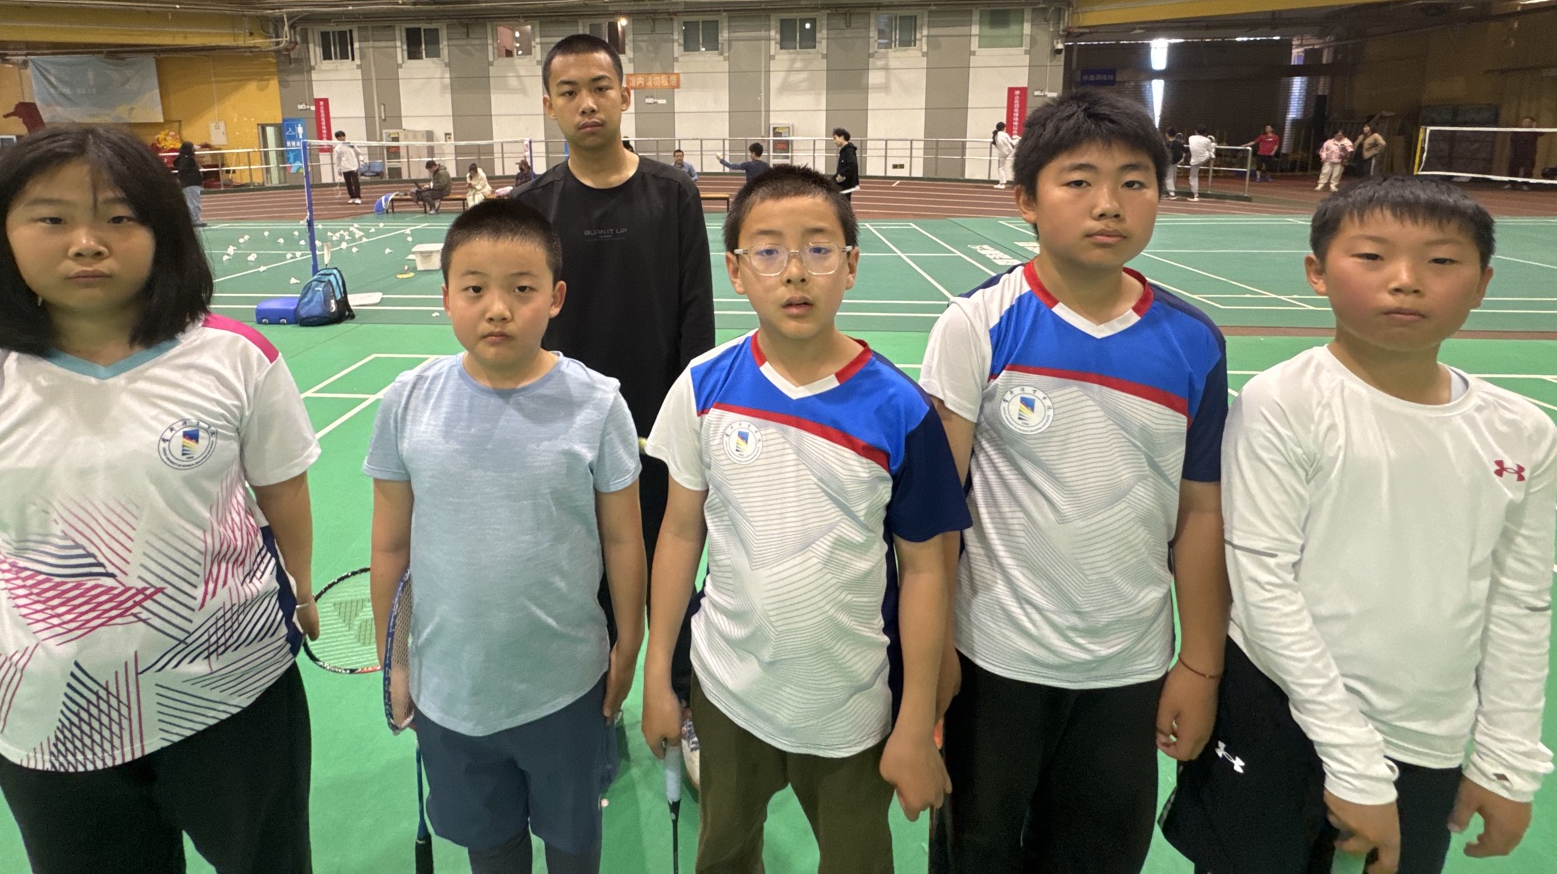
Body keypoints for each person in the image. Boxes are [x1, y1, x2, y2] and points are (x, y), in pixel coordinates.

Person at [0, 125, 320, 874]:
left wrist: (303, 589)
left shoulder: (236, 358)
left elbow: (281, 489)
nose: (87, 243)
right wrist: (29, 646)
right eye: (51, 218)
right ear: (2, 236)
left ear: (164, 233)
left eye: (120, 217)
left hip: (238, 691)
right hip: (52, 718)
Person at [1163, 176, 1555, 874]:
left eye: (1441, 261)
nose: (1406, 280)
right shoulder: (1284, 402)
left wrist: (1506, 760)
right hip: (1278, 713)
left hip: (1427, 738)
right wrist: (1352, 760)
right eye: (1372, 256)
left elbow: (1519, 602)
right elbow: (1263, 583)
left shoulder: (1524, 433)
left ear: (1483, 283)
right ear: (1317, 272)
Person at [920, 89, 1229, 871]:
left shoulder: (1194, 342)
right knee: (977, 850)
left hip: (1128, 667)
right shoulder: (977, 323)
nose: (1108, 203)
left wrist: (1200, 661)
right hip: (993, 659)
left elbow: (1200, 512)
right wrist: (930, 661)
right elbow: (936, 512)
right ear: (1026, 199)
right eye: (1079, 180)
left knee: (1098, 856)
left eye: (1134, 182)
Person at [643, 166, 971, 872]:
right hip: (727, 692)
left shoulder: (901, 409)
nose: (794, 271)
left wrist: (916, 720)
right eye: (768, 250)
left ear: (850, 265)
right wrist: (657, 674)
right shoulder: (702, 387)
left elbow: (924, 570)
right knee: (725, 855)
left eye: (818, 249)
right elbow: (679, 533)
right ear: (735, 270)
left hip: (850, 708)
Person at [366, 200, 645, 874]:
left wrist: (629, 643)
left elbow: (623, 539)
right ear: (445, 296)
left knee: (574, 846)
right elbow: (391, 547)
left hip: (566, 686)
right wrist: (395, 662)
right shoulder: (407, 401)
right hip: (450, 690)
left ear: (555, 297)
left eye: (521, 289)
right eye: (474, 289)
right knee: (490, 851)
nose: (498, 309)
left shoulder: (598, 402)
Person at [511, 34, 716, 770]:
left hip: (659, 437)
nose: (587, 103)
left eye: (600, 86)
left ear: (625, 95)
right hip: (564, 439)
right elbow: (520, 324)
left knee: (672, 580)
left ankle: (681, 703)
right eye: (569, 91)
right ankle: (594, 715)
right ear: (549, 105)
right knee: (578, 586)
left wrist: (690, 429)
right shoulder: (531, 207)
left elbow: (696, 321)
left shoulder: (674, 195)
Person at [173, 139, 206, 226]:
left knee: (192, 201)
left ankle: (194, 219)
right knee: (193, 202)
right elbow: (183, 171)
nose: (194, 151)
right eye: (193, 149)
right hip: (190, 183)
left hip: (190, 183)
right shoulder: (186, 160)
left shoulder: (186, 159)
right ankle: (195, 219)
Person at [1507, 116, 1540, 189]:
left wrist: (1535, 127)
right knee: (1513, 169)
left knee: (1528, 170)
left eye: (1528, 122)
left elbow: (1541, 133)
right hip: (1516, 153)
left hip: (1529, 154)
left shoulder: (1534, 132)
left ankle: (1525, 184)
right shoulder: (1517, 130)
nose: (1526, 123)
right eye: (1524, 121)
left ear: (1532, 123)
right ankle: (1511, 184)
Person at [1187, 124, 1217, 202]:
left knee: (1193, 177)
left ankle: (1195, 195)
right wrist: (1211, 152)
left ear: (1195, 131)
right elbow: (1209, 150)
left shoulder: (1190, 138)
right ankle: (1213, 146)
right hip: (1205, 158)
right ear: (1205, 133)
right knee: (1211, 150)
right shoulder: (1207, 140)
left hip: (1195, 160)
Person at [832, 127, 861, 207]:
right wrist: (834, 178)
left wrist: (841, 174)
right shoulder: (844, 150)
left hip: (846, 184)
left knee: (843, 205)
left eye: (835, 138)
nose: (834, 141)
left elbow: (852, 165)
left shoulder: (849, 150)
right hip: (842, 183)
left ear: (841, 137)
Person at [332, 129, 363, 204]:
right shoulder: (337, 148)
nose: (342, 138)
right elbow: (337, 159)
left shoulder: (351, 144)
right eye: (340, 137)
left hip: (354, 166)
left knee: (356, 183)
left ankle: (358, 197)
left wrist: (361, 160)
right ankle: (352, 197)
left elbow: (359, 152)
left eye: (343, 136)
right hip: (345, 168)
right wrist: (339, 170)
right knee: (348, 184)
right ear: (337, 138)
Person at [991, 122, 1015, 189]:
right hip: (1009, 151)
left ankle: (1002, 183)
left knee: (1001, 168)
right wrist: (1014, 147)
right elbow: (1011, 143)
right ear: (1003, 128)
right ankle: (1002, 183)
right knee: (1017, 139)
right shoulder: (1005, 134)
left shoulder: (995, 135)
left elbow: (995, 143)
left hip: (1001, 153)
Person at [1165, 127, 1185, 199]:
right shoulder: (1178, 143)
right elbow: (1183, 150)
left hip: (1170, 162)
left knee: (1168, 177)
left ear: (1167, 134)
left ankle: (1171, 193)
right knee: (1172, 175)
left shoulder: (1167, 143)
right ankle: (1172, 191)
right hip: (1177, 161)